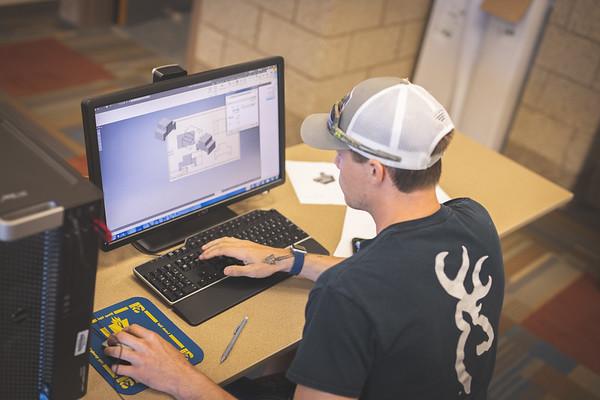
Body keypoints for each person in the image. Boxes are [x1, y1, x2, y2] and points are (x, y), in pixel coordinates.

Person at [104, 77, 505, 400]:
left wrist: (178, 377)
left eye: (343, 153)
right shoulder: (474, 219)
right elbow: (397, 283)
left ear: (376, 171)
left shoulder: (345, 296)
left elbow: (361, 290)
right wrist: (287, 259)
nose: (335, 161)